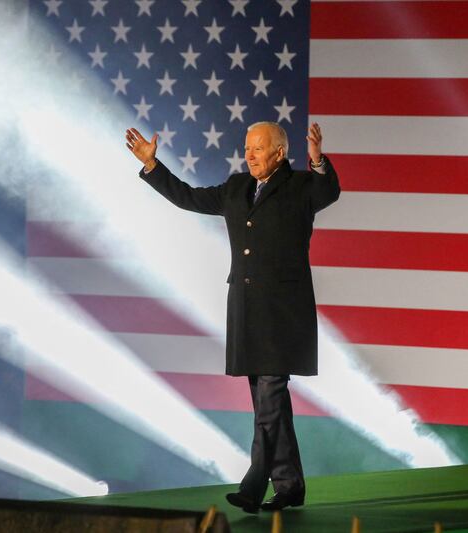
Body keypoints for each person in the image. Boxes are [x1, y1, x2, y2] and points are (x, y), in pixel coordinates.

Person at [125, 121, 340, 513]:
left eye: (258, 148)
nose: (250, 154)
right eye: (247, 147)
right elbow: (187, 197)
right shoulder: (237, 188)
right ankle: (290, 485)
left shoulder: (300, 187)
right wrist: (153, 166)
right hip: (246, 309)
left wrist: (318, 161)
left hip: (283, 314)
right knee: (266, 401)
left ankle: (254, 485)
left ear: (279, 152)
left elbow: (328, 191)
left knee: (270, 398)